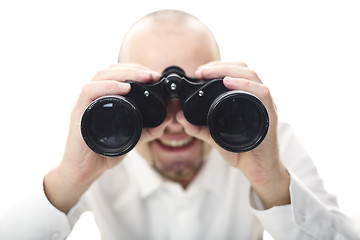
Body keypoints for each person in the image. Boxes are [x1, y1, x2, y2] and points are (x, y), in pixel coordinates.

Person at [1, 9, 359, 240]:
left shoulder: (263, 139)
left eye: (195, 98)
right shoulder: (102, 142)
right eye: (148, 98)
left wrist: (272, 182)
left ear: (219, 85)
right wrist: (68, 179)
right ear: (123, 96)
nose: (175, 124)